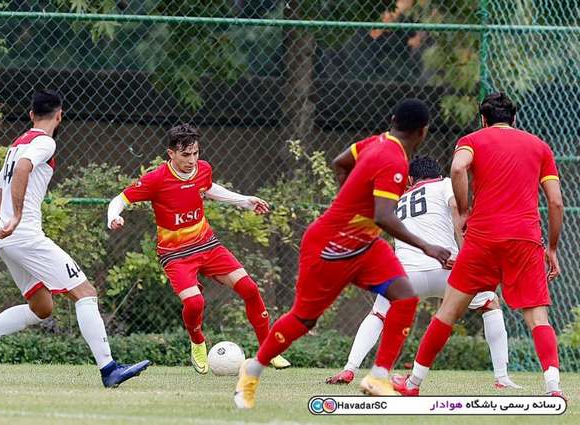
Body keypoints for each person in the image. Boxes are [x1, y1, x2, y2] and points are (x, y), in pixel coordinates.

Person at [233, 99, 452, 409]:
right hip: (330, 247)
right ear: (423, 132)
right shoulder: (395, 161)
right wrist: (428, 246)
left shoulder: (375, 141)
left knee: (405, 296)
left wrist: (350, 199)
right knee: (303, 319)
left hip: (365, 245)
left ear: (393, 120)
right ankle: (251, 370)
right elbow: (383, 216)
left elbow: (339, 163)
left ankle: (378, 377)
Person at [0, 89, 150, 388]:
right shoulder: (45, 142)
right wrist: (17, 218)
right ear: (59, 116)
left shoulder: (16, 145)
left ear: (31, 115)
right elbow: (23, 169)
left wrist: (7, 223)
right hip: (26, 236)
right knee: (85, 293)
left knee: (42, 307)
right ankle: (109, 369)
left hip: (7, 239)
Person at [393, 92, 565, 398]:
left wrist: (463, 211)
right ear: (515, 119)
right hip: (525, 239)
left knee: (447, 312)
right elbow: (555, 202)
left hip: (482, 238)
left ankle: (413, 384)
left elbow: (458, 169)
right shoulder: (539, 147)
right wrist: (551, 248)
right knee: (538, 318)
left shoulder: (472, 139)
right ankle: (553, 389)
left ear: (483, 120)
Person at [106, 123, 290, 374]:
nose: (192, 160)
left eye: (195, 153)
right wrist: (113, 216)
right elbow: (121, 199)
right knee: (194, 304)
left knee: (249, 288)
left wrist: (244, 201)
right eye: (185, 155)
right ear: (171, 153)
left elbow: (210, 188)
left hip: (207, 244)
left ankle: (268, 351)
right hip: (175, 254)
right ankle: (197, 341)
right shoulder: (156, 179)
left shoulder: (203, 169)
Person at [326, 156, 519, 389]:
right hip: (445, 268)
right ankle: (501, 378)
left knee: (378, 314)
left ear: (409, 179)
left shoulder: (399, 198)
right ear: (437, 174)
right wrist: (465, 257)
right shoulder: (444, 183)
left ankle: (349, 369)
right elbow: (458, 210)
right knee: (490, 303)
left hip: (407, 274)